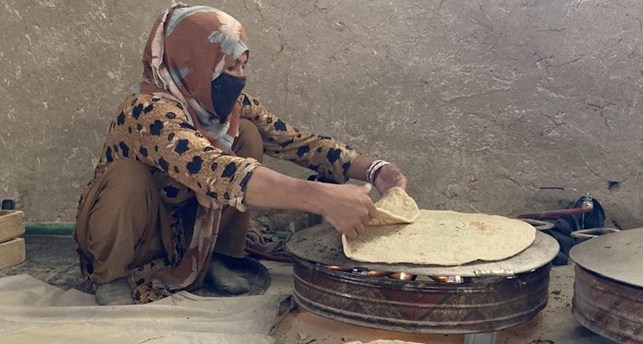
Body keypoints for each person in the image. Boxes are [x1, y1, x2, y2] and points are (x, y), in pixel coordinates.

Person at [74, 4, 408, 305]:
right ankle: (111, 277)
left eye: (242, 65)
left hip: (180, 233)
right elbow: (212, 169)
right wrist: (319, 197)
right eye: (229, 66)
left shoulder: (225, 108)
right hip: (135, 233)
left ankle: (217, 257)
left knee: (245, 134)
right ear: (193, 61)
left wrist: (375, 170)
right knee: (127, 177)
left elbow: (294, 141)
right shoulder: (148, 111)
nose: (238, 78)